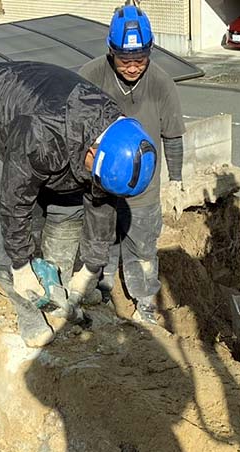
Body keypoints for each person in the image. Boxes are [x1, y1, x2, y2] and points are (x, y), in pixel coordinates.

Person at [0, 60, 158, 346]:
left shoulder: (117, 136)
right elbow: (14, 203)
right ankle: (27, 308)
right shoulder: (42, 136)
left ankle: (56, 287)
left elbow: (101, 198)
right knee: (1, 232)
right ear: (93, 148)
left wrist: (90, 269)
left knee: (69, 205)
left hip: (30, 117)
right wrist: (21, 266)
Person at [81, 3, 187, 324]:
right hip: (101, 185)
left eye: (139, 60)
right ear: (111, 52)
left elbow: (173, 136)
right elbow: (71, 124)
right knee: (103, 243)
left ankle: (144, 302)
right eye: (124, 60)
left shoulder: (160, 83)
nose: (131, 67)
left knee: (142, 249)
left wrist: (177, 181)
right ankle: (103, 293)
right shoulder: (91, 77)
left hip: (144, 190)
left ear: (149, 52)